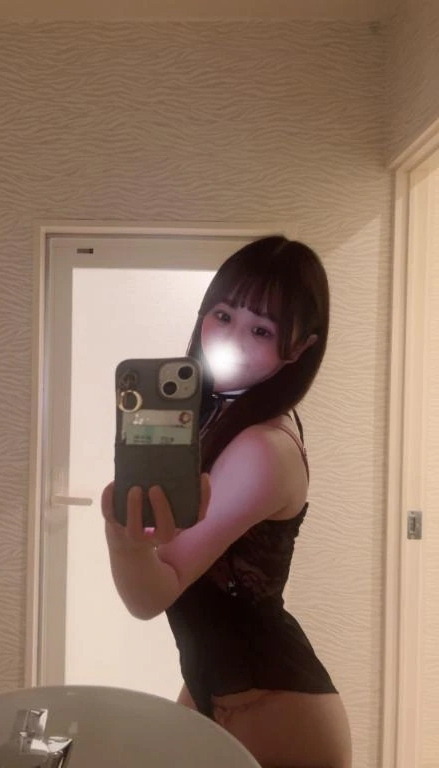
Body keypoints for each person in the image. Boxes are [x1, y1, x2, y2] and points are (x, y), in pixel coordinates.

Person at [101, 236, 353, 768]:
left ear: (299, 348)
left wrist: (123, 542)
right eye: (222, 315)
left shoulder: (263, 449)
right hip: (215, 692)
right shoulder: (218, 416)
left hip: (278, 715)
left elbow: (154, 592)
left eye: (261, 330)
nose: (232, 338)